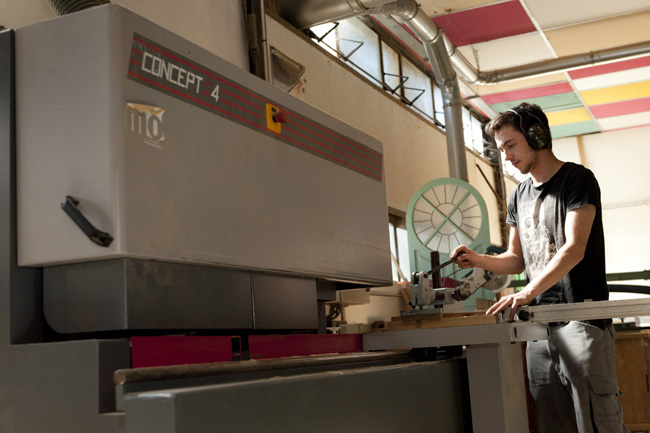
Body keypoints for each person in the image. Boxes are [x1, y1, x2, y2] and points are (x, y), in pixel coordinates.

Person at [451, 102, 629, 433]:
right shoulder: (519, 195)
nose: (506, 156)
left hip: (582, 321)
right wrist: (477, 258)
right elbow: (516, 259)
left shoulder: (577, 180)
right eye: (501, 148)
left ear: (538, 135)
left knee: (596, 422)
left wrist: (527, 292)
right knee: (552, 424)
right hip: (538, 328)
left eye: (510, 145)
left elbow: (574, 248)